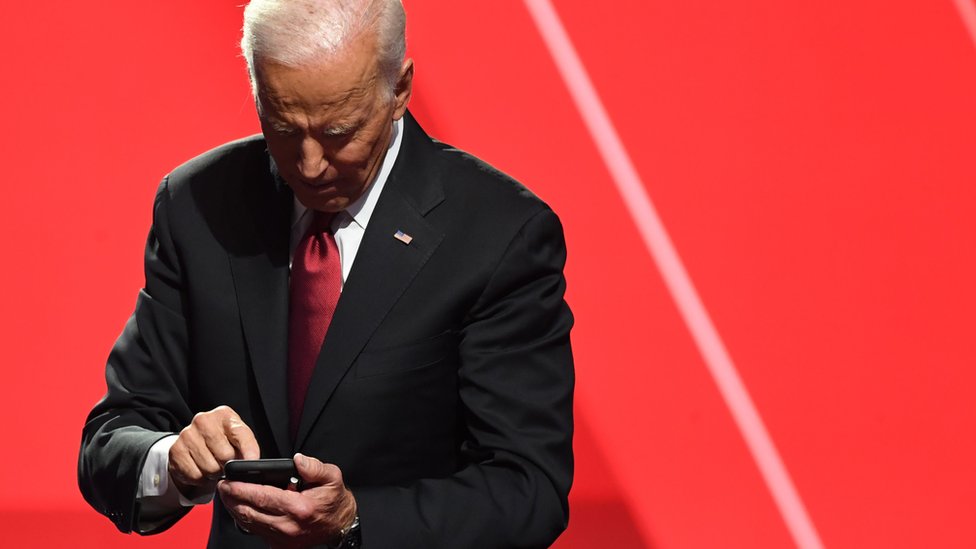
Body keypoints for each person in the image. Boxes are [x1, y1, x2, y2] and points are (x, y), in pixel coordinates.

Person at [78, 0, 574, 547]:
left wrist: (356, 522)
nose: (310, 165)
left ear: (400, 89)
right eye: (283, 127)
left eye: (338, 132)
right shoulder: (197, 206)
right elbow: (109, 443)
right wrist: (171, 460)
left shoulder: (499, 235)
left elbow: (527, 489)